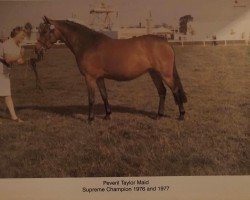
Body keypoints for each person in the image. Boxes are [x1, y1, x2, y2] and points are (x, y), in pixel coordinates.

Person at [0, 26, 26, 124]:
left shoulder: (18, 45)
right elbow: (8, 59)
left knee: (7, 94)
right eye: (22, 35)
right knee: (6, 94)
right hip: (0, 70)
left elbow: (19, 61)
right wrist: (20, 55)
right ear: (16, 34)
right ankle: (14, 117)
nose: (23, 37)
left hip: (5, 72)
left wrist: (26, 59)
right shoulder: (7, 44)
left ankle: (14, 117)